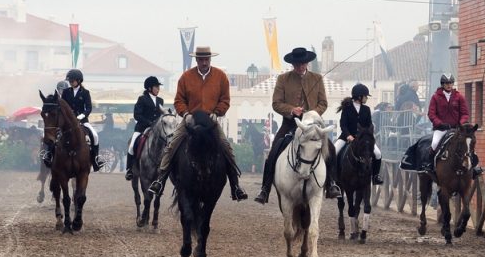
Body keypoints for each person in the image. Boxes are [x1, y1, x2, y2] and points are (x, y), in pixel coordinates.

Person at [148, 46, 248, 201]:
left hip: (210, 122)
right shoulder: (186, 77)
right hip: (190, 121)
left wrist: (217, 113)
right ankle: (160, 180)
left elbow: (225, 100)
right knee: (172, 146)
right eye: (201, 59)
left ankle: (235, 185)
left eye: (206, 59)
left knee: (227, 148)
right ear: (196, 60)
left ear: (210, 59)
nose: (204, 62)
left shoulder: (221, 77)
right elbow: (179, 100)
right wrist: (185, 114)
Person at [255, 46, 340, 204]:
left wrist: (311, 114)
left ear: (307, 63)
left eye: (303, 64)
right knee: (274, 150)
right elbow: (276, 103)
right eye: (297, 64)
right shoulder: (283, 79)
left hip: (312, 124)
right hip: (290, 123)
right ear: (293, 64)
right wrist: (291, 110)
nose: (300, 67)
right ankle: (265, 189)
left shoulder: (317, 78)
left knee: (331, 148)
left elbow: (323, 103)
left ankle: (332, 184)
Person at [333, 84, 384, 185]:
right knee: (334, 151)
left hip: (363, 139)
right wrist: (348, 135)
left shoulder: (366, 109)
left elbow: (368, 124)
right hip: (346, 137)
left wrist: (368, 135)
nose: (367, 98)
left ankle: (375, 176)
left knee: (378, 154)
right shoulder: (347, 109)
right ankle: (332, 179)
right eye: (366, 96)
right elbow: (343, 124)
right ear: (359, 97)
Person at [422, 73, 470, 174]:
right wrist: (440, 123)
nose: (449, 85)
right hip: (441, 129)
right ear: (442, 84)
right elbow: (431, 114)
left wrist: (460, 123)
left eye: (450, 83)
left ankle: (475, 166)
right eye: (446, 83)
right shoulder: (435, 97)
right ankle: (430, 164)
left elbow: (465, 114)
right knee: (435, 143)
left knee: (468, 143)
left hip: (456, 129)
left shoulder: (459, 97)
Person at [58, 69, 104, 171]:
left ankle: (95, 160)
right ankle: (50, 157)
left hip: (82, 121)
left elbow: (89, 107)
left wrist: (83, 115)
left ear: (79, 80)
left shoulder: (85, 93)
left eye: (72, 81)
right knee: (56, 134)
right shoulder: (66, 92)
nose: (70, 83)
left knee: (95, 136)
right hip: (67, 122)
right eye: (69, 81)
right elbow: (62, 106)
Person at [125, 76, 164, 181]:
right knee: (132, 145)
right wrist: (149, 122)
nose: (158, 89)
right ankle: (129, 168)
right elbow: (137, 115)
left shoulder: (160, 100)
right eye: (156, 87)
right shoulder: (142, 99)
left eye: (158, 87)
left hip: (156, 129)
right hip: (142, 128)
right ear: (150, 88)